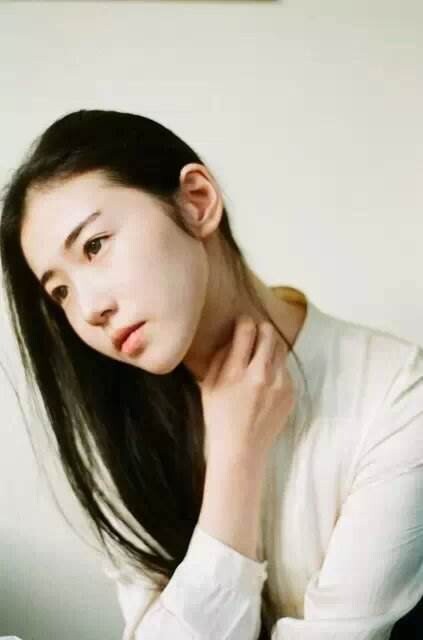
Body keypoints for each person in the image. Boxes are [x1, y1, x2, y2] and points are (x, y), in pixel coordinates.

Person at [0, 109, 422, 640]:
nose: (88, 309)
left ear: (197, 202)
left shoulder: (395, 395)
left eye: (95, 245)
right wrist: (233, 463)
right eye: (59, 291)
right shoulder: (122, 435)